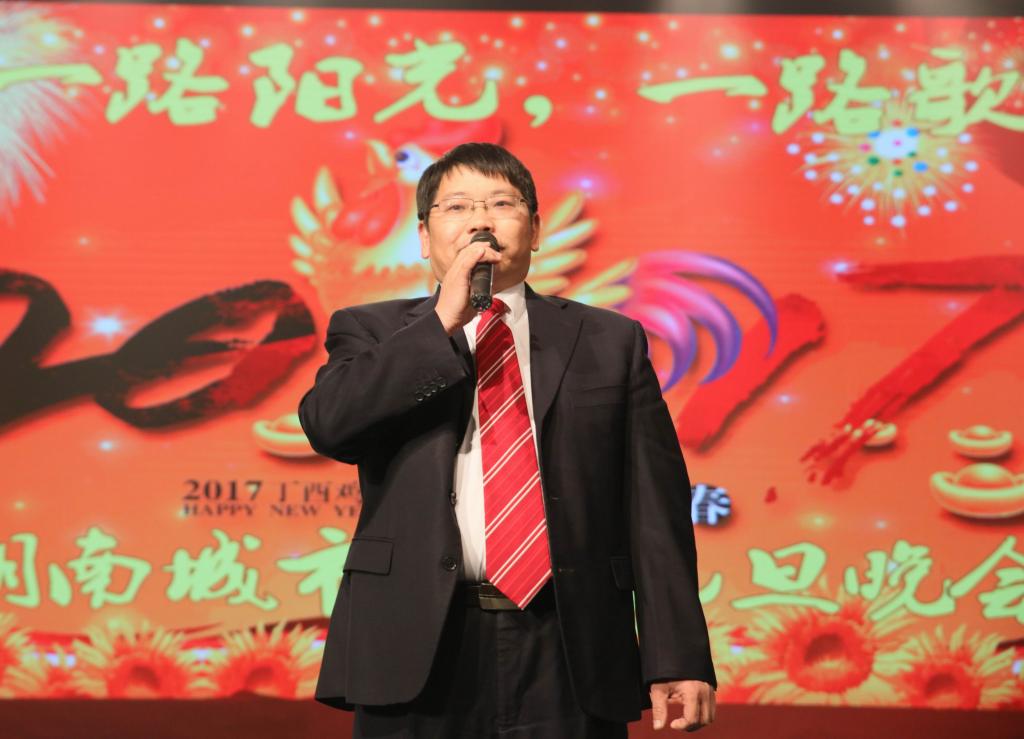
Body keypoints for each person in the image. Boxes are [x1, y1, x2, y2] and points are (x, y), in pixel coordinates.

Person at [298, 142, 716, 738]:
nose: (480, 221)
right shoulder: (372, 331)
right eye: (457, 207)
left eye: (501, 203)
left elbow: (656, 510)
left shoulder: (609, 341)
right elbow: (330, 424)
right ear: (423, 237)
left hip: (568, 642)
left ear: (535, 229)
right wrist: (441, 323)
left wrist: (677, 655)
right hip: (416, 638)